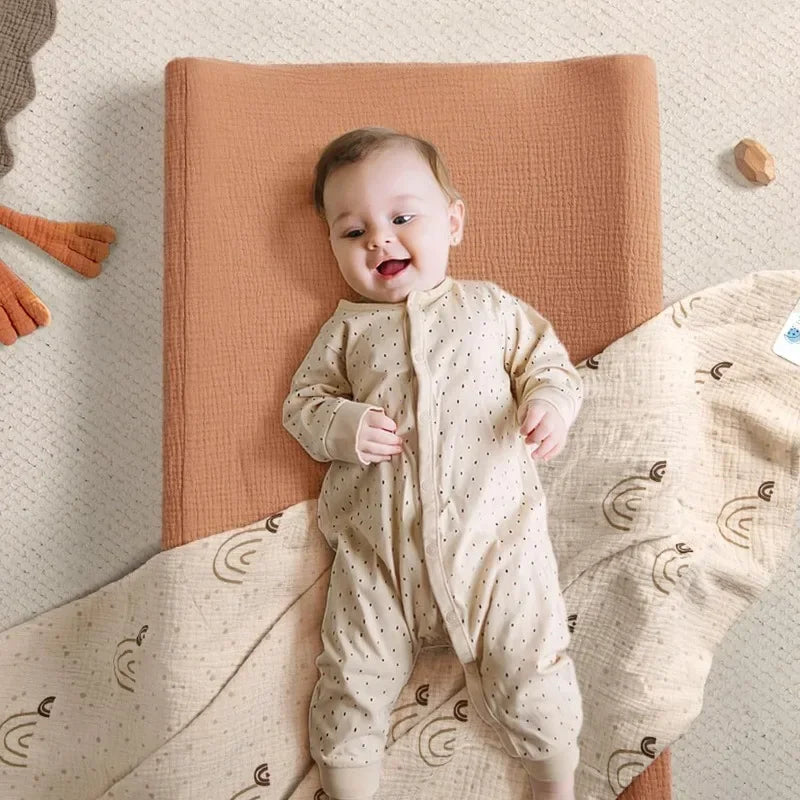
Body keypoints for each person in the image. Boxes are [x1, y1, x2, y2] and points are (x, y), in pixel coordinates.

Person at [282, 126, 584, 800]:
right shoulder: (347, 330)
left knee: (531, 660)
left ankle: (554, 779)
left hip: (496, 546)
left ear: (452, 223)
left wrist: (549, 405)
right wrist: (343, 424)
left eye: (401, 219)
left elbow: (550, 367)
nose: (378, 241)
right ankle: (348, 784)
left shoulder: (491, 309)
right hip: (378, 559)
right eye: (352, 231)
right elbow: (302, 406)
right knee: (351, 674)